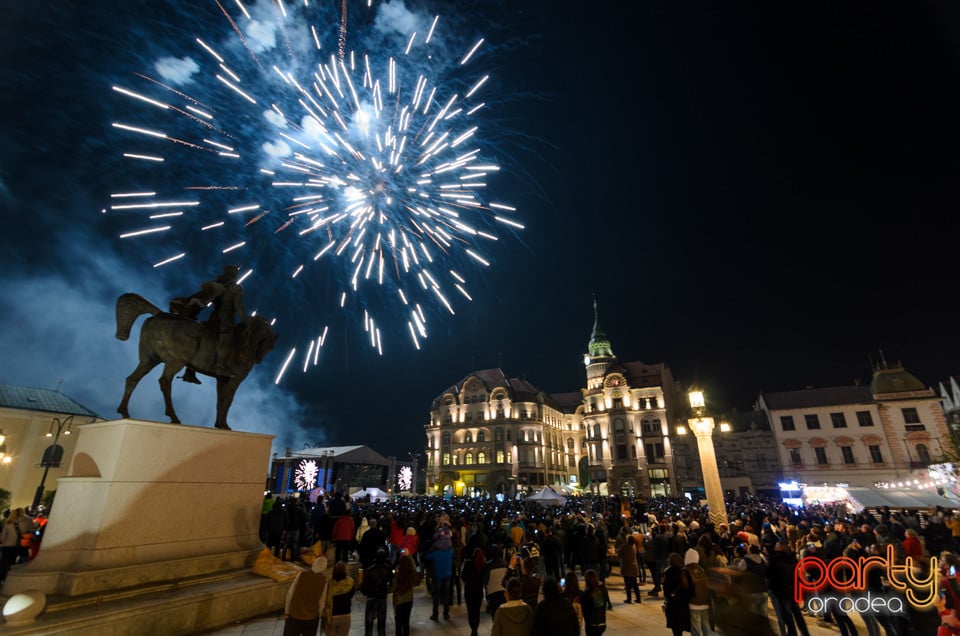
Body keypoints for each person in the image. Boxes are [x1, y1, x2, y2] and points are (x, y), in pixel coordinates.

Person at [170, 264, 248, 382]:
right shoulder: (235, 288)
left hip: (213, 317)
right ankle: (221, 367)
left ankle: (190, 371)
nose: (237, 274)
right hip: (225, 321)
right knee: (227, 340)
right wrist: (246, 321)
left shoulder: (218, 284)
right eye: (236, 272)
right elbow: (238, 306)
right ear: (234, 274)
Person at [283, 555, 328, 636]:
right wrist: (319, 614)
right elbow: (322, 601)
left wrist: (287, 612)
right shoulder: (324, 580)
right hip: (311, 617)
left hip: (295, 614)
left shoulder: (302, 574)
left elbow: (290, 593)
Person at [362, 548, 394, 636]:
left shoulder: (369, 570)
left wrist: (367, 592)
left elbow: (364, 587)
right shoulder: (388, 569)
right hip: (382, 597)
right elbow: (391, 583)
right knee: (381, 624)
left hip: (371, 597)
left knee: (369, 624)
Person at [426, 525, 454, 620]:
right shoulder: (450, 551)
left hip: (437, 574)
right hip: (447, 574)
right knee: (446, 594)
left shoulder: (436, 551)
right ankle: (446, 614)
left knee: (436, 595)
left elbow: (427, 557)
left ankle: (435, 614)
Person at [664, 552, 693, 636]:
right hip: (684, 605)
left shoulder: (669, 572)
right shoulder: (685, 572)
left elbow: (666, 591)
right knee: (682, 625)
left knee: (676, 631)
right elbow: (690, 589)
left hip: (673, 606)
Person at [685, 548, 712, 636]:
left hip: (693, 604)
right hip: (705, 603)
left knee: (696, 630)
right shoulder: (702, 570)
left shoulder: (686, 571)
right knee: (706, 627)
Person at [462, 547, 489, 636]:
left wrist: (468, 580)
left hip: (469, 591)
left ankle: (473, 628)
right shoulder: (483, 565)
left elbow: (463, 576)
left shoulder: (468, 563)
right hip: (478, 591)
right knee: (477, 611)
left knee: (470, 611)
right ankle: (475, 628)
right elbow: (485, 579)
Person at [323, 561, 355, 636]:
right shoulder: (350, 582)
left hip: (331, 616)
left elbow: (324, 599)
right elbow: (351, 595)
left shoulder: (329, 583)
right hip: (346, 615)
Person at [393, 549, 418, 636]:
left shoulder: (398, 571)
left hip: (398, 600)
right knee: (406, 622)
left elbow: (394, 587)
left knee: (398, 624)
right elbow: (414, 568)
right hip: (409, 600)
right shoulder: (410, 573)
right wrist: (408, 556)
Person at [581, 569, 610, 636]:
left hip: (591, 624)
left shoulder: (587, 593)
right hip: (602, 623)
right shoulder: (603, 589)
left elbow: (585, 609)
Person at [486, 545, 510, 617]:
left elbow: (485, 579)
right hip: (503, 589)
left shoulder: (488, 565)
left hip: (492, 591)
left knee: (495, 611)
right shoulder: (505, 563)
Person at [618, 532, 641, 604]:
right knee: (635, 584)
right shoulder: (634, 546)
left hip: (626, 567)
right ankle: (638, 598)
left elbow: (619, 553)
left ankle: (629, 598)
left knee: (627, 584)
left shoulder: (624, 546)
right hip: (634, 567)